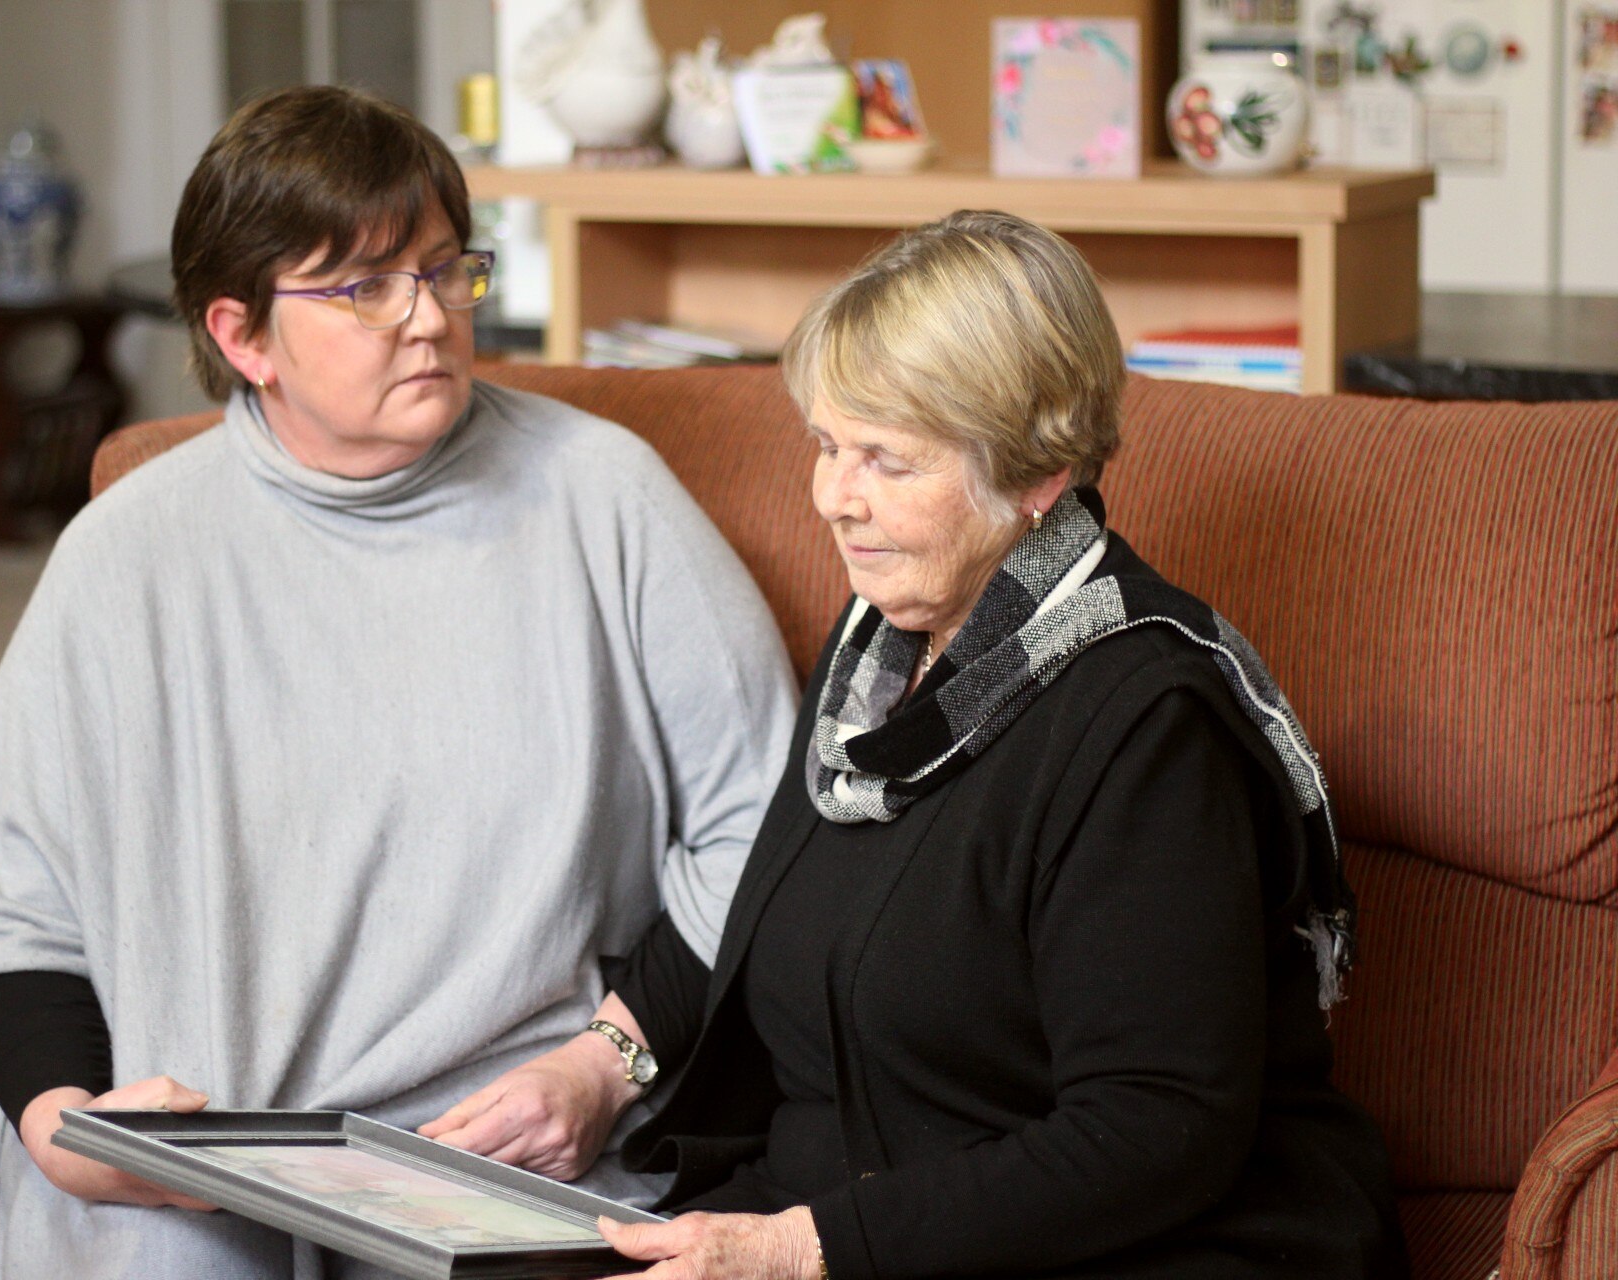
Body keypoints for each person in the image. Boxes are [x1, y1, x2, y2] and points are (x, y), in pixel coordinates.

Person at [444, 211, 1408, 1277]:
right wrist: (601, 1059)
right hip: (854, 1211)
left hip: (1113, 1240)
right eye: (823, 444)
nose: (832, 499)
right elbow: (765, 903)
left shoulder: (1147, 725)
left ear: (1038, 474)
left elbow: (1154, 1130)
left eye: (886, 461)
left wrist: (804, 1248)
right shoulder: (881, 652)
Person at [0, 85, 797, 1278]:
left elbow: (764, 825)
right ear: (242, 337)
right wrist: (67, 1130)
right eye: (364, 286)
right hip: (204, 1154)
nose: (428, 317)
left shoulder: (608, 498)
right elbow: (19, 905)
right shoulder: (124, 555)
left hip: (503, 1150)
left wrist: (608, 1066)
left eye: (447, 270)